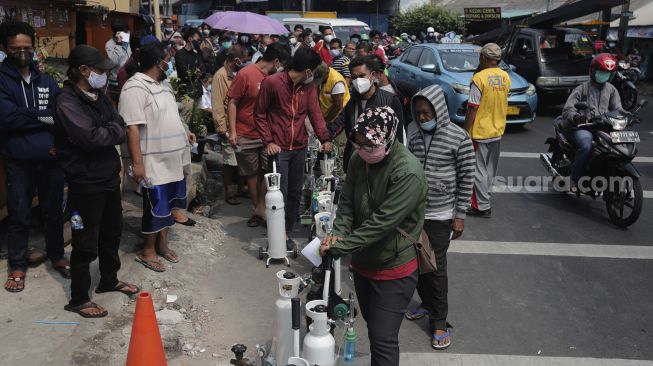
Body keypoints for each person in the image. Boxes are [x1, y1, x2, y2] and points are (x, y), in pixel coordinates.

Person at [320, 106, 426, 366]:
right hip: (364, 262)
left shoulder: (408, 172)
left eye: (370, 144)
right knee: (372, 325)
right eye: (359, 143)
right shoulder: (359, 159)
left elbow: (382, 223)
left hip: (394, 266)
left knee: (383, 339)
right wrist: (338, 232)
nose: (363, 149)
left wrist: (341, 246)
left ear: (388, 139)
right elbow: (346, 202)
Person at [53, 44, 139, 317]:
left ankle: (108, 280)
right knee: (84, 240)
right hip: (84, 183)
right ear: (83, 70)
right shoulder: (66, 101)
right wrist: (111, 130)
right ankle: (79, 298)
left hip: (108, 178)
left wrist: (110, 130)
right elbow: (90, 139)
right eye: (100, 70)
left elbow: (120, 124)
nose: (104, 75)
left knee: (112, 232)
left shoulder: (98, 95)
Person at [0, 21, 70, 292]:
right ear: (5, 48)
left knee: (53, 212)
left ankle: (56, 256)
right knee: (19, 214)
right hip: (18, 160)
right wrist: (42, 117)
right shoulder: (2, 79)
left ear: (34, 47)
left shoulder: (46, 80)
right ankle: (17, 263)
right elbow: (7, 118)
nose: (22, 53)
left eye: (27, 48)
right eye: (16, 48)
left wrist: (32, 117)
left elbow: (58, 116)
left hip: (51, 158)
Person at [405, 84, 475, 350]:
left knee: (435, 269)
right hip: (412, 213)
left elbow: (467, 177)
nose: (422, 117)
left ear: (439, 110)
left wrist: (460, 216)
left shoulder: (459, 137)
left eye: (427, 112)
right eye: (418, 112)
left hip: (440, 214)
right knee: (416, 264)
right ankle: (425, 304)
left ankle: (439, 322)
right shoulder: (412, 132)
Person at [120, 43, 195, 272]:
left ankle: (163, 245)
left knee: (171, 205)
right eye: (167, 59)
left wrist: (185, 131)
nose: (170, 63)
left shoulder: (164, 85)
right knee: (155, 206)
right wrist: (137, 164)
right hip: (153, 161)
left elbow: (172, 113)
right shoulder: (134, 87)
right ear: (157, 62)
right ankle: (148, 250)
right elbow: (132, 127)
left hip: (173, 159)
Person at [255, 48, 333, 249]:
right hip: (278, 149)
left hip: (299, 147)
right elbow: (260, 114)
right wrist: (268, 141)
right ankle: (277, 233)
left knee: (294, 193)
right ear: (307, 70)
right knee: (279, 192)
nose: (314, 75)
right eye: (314, 71)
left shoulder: (308, 89)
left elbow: (315, 114)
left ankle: (285, 232)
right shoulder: (272, 83)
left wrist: (325, 138)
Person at [228, 43, 291, 228]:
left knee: (269, 171)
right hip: (245, 132)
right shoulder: (246, 74)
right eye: (283, 63)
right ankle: (258, 210)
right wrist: (233, 131)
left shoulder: (277, 78)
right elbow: (233, 102)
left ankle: (263, 208)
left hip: (268, 134)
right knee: (252, 174)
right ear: (276, 61)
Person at [329, 56, 405, 171]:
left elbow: (398, 136)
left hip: (382, 162)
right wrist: (325, 137)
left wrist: (397, 165)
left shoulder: (390, 100)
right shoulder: (352, 101)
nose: (358, 81)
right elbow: (341, 121)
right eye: (354, 77)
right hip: (356, 160)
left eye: (362, 76)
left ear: (372, 75)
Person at [562, 53, 624, 193]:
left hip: (604, 127)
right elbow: (568, 109)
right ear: (592, 71)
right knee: (586, 146)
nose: (604, 76)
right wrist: (576, 117)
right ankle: (574, 179)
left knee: (618, 148)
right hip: (584, 127)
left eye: (607, 73)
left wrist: (628, 116)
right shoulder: (582, 88)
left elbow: (618, 109)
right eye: (601, 72)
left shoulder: (612, 90)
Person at [463, 43, 511, 217]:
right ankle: (485, 198)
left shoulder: (479, 78)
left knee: (478, 170)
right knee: (489, 170)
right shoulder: (506, 77)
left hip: (480, 131)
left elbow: (473, 107)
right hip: (497, 130)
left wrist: (465, 130)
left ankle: (482, 206)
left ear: (483, 57)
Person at [212, 45, 249, 205]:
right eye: (244, 59)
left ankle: (241, 189)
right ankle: (229, 191)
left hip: (241, 124)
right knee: (229, 160)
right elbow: (218, 103)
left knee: (241, 159)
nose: (245, 62)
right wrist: (221, 127)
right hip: (227, 124)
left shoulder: (237, 74)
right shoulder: (220, 76)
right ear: (236, 60)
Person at [368, 55, 418, 128]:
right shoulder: (368, 93)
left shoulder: (403, 89)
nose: (368, 78)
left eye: (371, 75)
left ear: (380, 72)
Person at [105, 19, 132, 103]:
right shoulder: (110, 44)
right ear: (118, 33)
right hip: (116, 82)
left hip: (129, 77)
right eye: (125, 31)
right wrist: (119, 45)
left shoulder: (126, 40)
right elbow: (114, 62)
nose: (127, 32)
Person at [175, 27, 205, 98]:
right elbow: (186, 73)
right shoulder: (180, 54)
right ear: (190, 38)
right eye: (197, 40)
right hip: (186, 94)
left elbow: (203, 71)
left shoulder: (196, 54)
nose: (198, 43)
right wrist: (196, 73)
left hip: (198, 92)